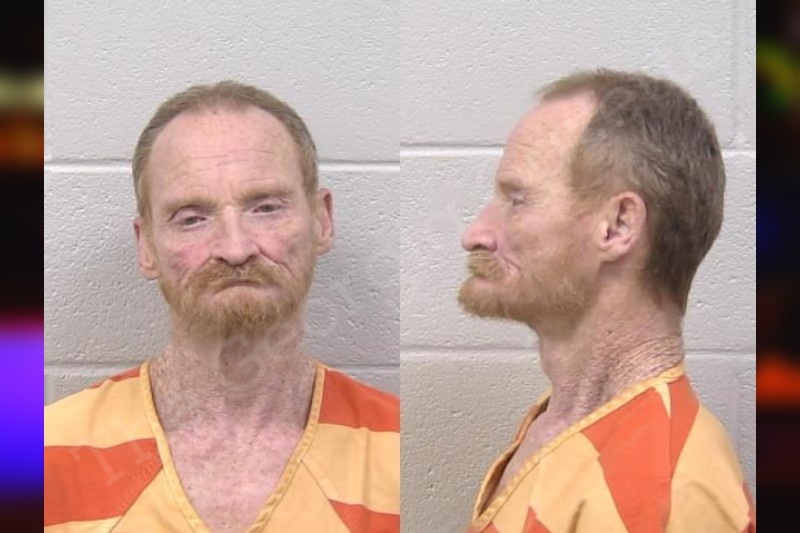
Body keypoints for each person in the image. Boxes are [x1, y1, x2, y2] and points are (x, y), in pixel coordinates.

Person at [44, 81, 400, 533]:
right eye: (192, 218)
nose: (235, 248)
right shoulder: (43, 456)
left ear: (321, 220)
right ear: (146, 245)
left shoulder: (396, 450)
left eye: (266, 208)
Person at [458, 69, 755, 532]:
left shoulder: (666, 495)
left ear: (618, 226)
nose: (476, 234)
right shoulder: (565, 421)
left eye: (517, 200)